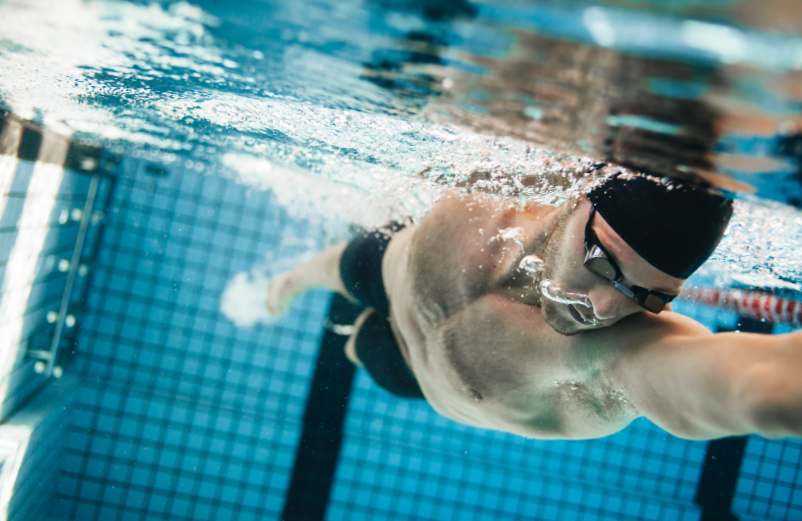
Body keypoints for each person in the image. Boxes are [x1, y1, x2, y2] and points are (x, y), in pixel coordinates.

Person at [266, 172, 802, 441]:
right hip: (386, 267)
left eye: (649, 297)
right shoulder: (500, 185)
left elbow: (745, 382)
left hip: (410, 373)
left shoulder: (612, 354)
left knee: (360, 346)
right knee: (333, 268)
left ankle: (351, 337)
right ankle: (287, 285)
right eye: (601, 262)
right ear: (576, 201)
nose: (605, 308)